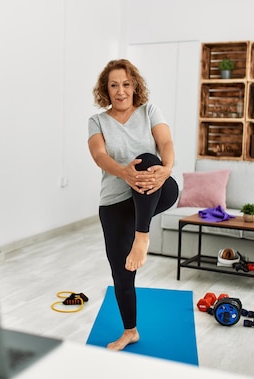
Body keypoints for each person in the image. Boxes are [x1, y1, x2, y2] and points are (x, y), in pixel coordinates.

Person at [87, 59, 179, 351]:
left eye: (126, 84)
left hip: (155, 190)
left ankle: (143, 235)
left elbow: (165, 143)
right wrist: (122, 172)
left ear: (134, 85)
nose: (120, 91)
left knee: (148, 160)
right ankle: (130, 331)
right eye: (113, 85)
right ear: (106, 89)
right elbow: (100, 156)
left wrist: (167, 167)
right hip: (115, 203)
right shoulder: (97, 121)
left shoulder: (149, 111)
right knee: (121, 273)